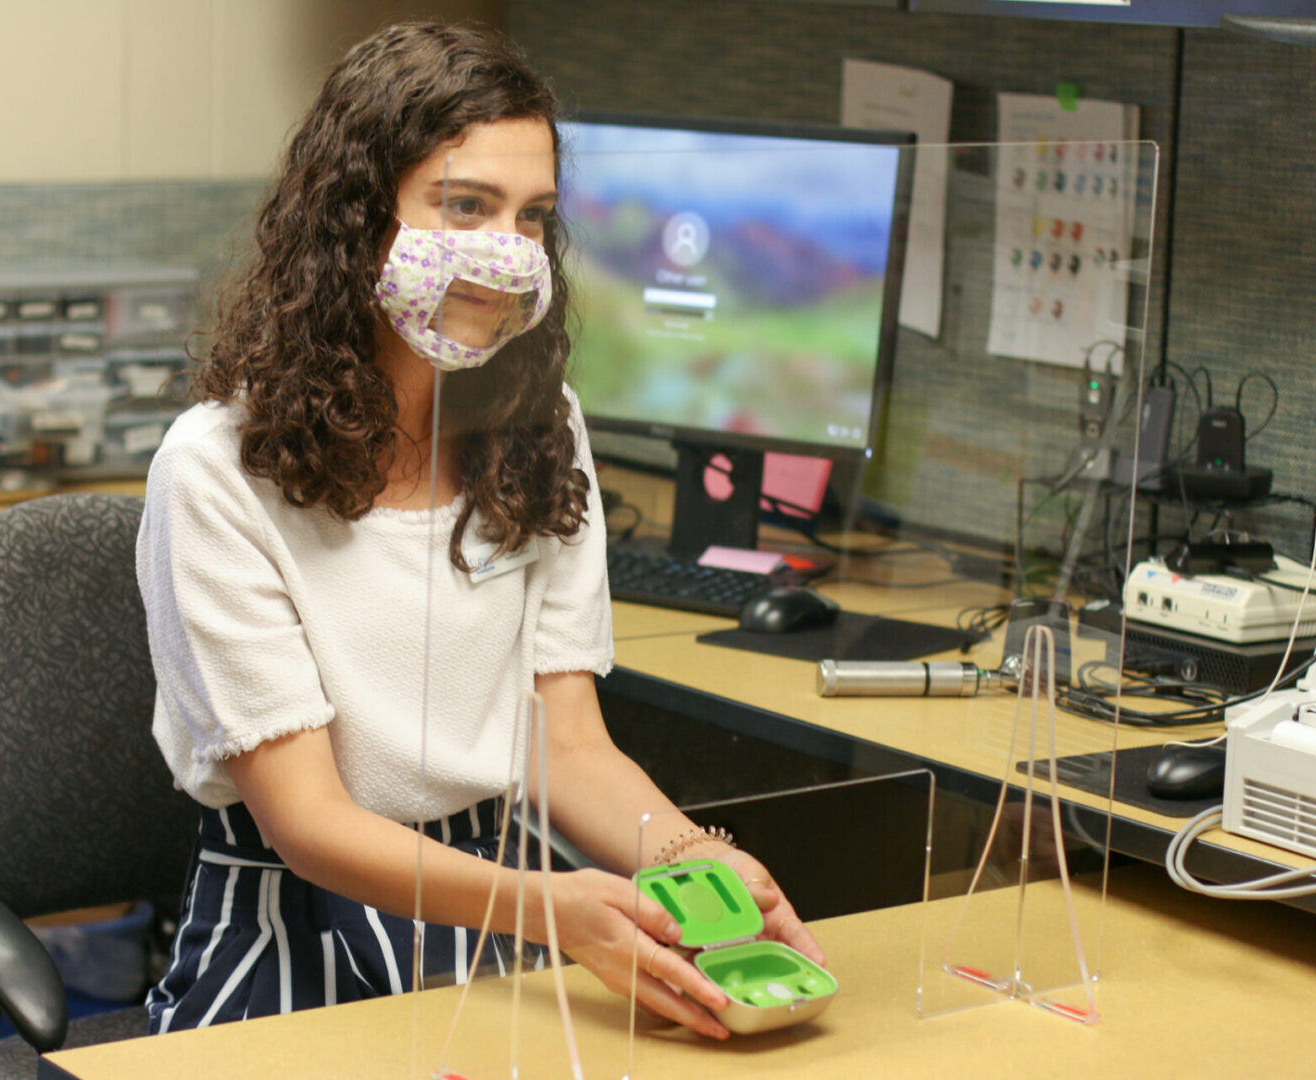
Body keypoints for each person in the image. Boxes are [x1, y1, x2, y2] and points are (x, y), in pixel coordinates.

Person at [136, 20, 822, 1041]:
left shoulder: (543, 431)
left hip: (493, 907)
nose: (505, 256)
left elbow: (566, 746)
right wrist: (558, 909)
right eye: (464, 206)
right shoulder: (216, 468)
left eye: (531, 216)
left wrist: (692, 861)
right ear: (357, 220)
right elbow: (311, 826)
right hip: (292, 924)